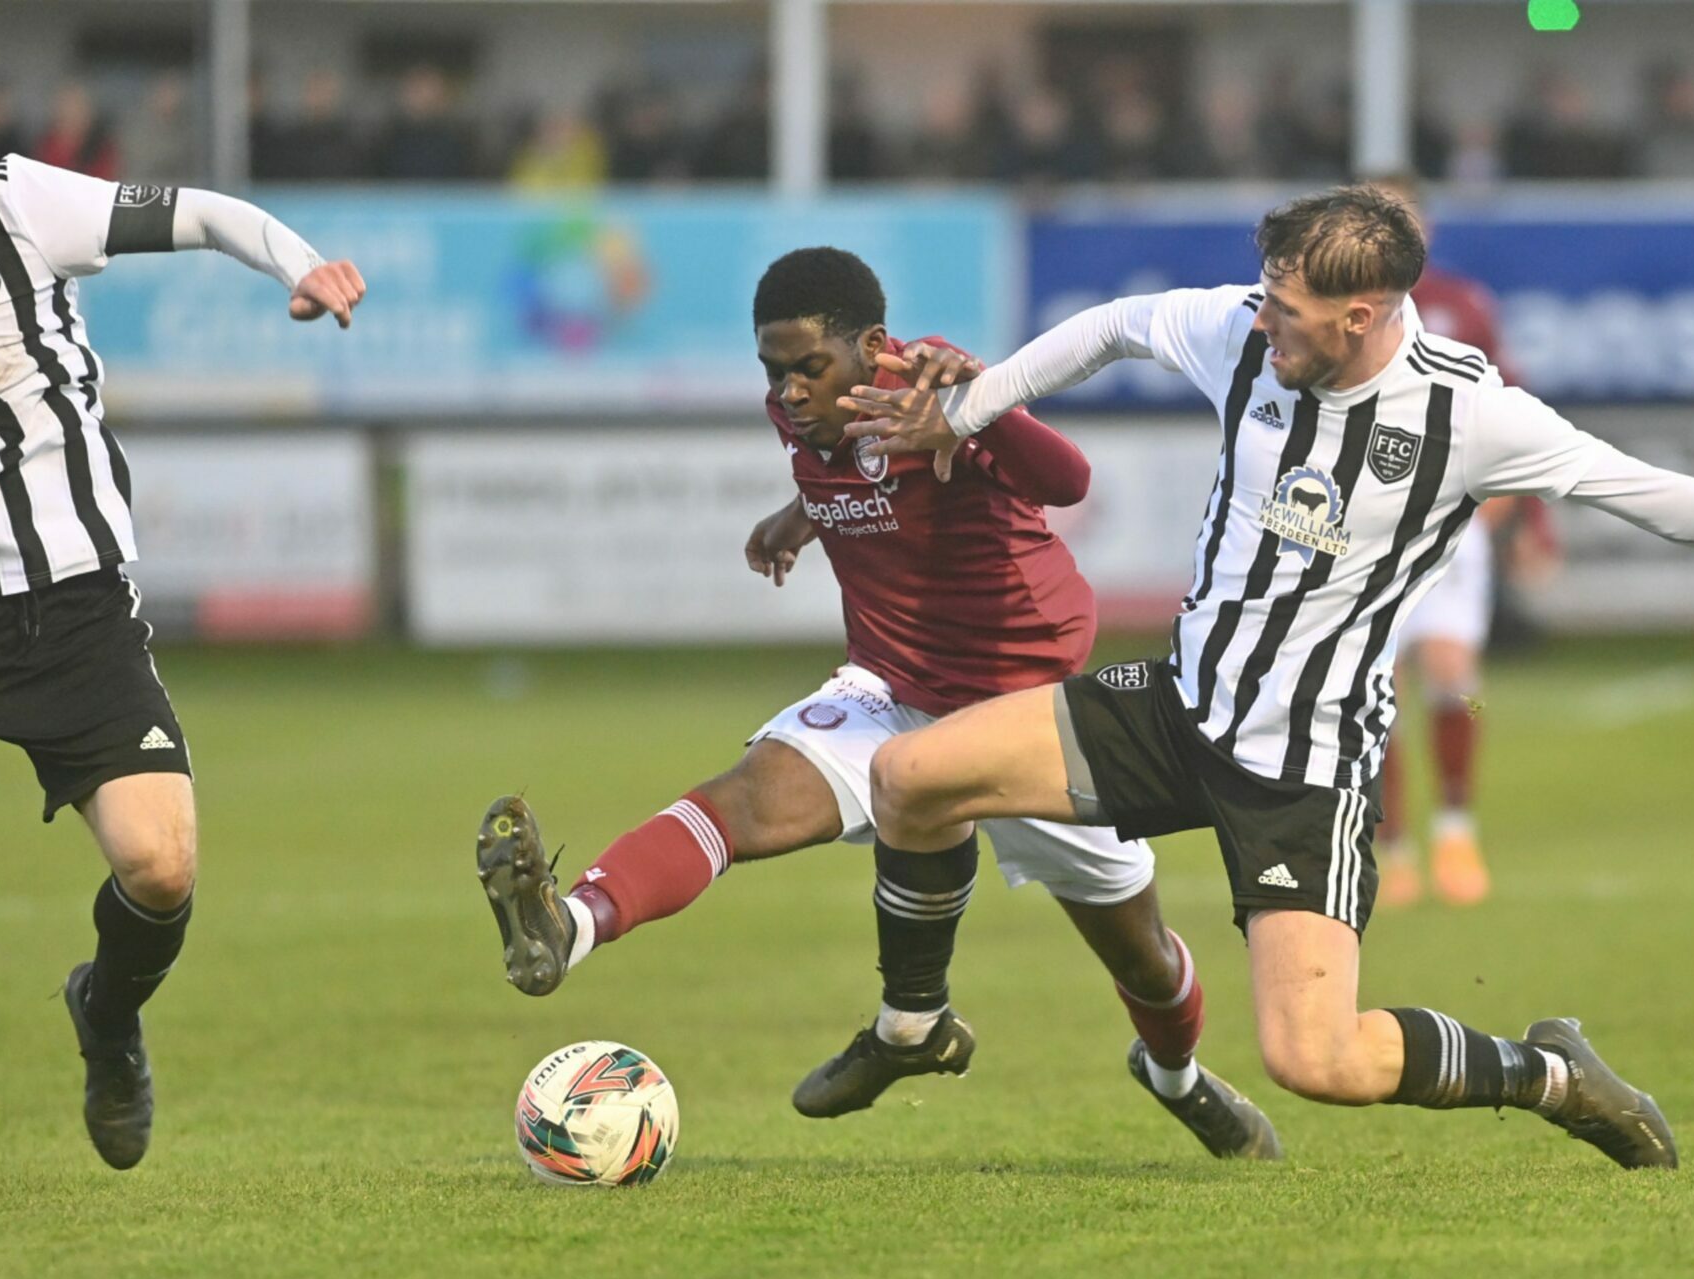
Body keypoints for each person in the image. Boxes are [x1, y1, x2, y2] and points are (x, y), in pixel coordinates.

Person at [831, 185, 1694, 1170]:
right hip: (1181, 705)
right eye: (1264, 295)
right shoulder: (1239, 331)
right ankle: (913, 1023)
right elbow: (1117, 325)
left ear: (1361, 315)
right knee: (912, 778)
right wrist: (970, 409)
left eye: (1286, 309)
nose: (1261, 320)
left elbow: (1653, 492)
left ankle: (1551, 1077)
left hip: (1305, 763)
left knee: (1314, 1060)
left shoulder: (1467, 413)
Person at [473, 247, 1278, 1161]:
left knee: (1144, 958)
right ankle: (571, 925)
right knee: (743, 799)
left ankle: (1177, 1077)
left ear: (874, 347)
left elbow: (1069, 483)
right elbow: (849, 468)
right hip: (890, 687)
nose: (788, 392)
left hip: (1029, 710)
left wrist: (982, 403)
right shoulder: (801, 412)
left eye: (808, 368)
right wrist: (800, 515)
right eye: (772, 371)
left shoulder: (932, 390)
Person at [0, 153, 365, 1167]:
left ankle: (107, 1015)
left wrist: (299, 263)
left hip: (68, 601)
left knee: (159, 866)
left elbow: (200, 213)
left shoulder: (18, 201)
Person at [1368, 174, 1552, 909]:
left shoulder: (1461, 305)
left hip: (1450, 529)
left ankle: (1455, 825)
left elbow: (1513, 411)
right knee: (1374, 698)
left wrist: (1523, 514)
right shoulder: (1330, 309)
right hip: (1367, 534)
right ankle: (1392, 847)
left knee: (1456, 681)